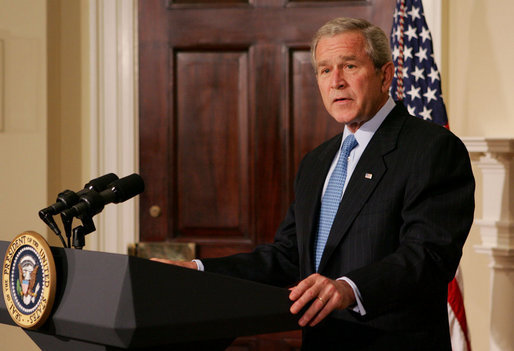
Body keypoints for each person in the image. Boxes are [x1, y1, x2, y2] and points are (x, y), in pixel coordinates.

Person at [153, 17, 475, 350]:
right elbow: (288, 257)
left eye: (349, 66)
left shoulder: (430, 148)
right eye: (324, 70)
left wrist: (350, 288)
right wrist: (198, 270)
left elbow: (429, 255)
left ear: (385, 75)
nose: (336, 81)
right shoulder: (317, 162)